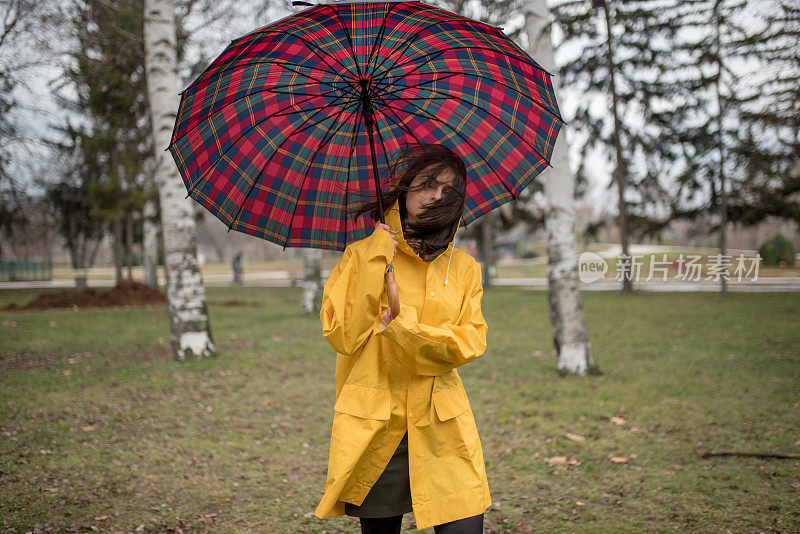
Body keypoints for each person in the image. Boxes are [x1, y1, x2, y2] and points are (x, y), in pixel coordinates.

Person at [313, 144, 491, 533]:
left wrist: (404, 328)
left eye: (449, 190)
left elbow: (469, 342)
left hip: (441, 423)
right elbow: (342, 335)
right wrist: (375, 257)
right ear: (406, 187)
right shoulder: (360, 254)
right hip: (378, 425)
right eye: (427, 184)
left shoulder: (463, 268)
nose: (436, 196)